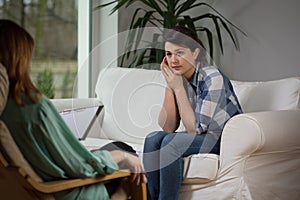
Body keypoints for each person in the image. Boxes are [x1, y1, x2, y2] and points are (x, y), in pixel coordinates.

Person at [0, 19, 146, 200]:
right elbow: (81, 167)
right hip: (71, 191)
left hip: (26, 189)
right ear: (19, 58)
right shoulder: (33, 108)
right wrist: (122, 157)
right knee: (128, 158)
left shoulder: (6, 109)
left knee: (117, 150)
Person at [143, 26, 243, 200]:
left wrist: (179, 89)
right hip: (200, 136)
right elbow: (167, 127)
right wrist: (170, 86)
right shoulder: (179, 77)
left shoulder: (212, 77)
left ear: (196, 52)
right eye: (168, 54)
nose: (173, 60)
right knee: (153, 138)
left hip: (223, 139)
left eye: (179, 53)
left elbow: (195, 130)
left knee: (170, 143)